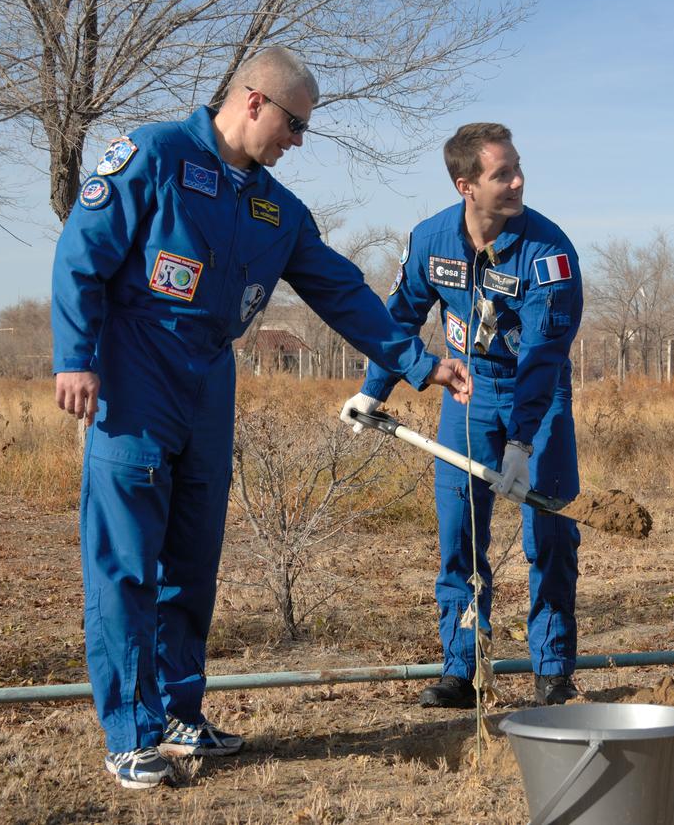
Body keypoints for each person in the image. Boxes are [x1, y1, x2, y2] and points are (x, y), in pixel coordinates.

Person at [51, 47, 471, 790]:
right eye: (294, 124)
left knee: (191, 563)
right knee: (125, 565)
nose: (297, 141)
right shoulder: (154, 153)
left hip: (210, 382)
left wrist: (418, 361)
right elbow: (83, 253)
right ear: (253, 101)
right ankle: (130, 733)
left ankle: (182, 712)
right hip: (134, 374)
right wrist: (76, 357)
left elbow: (340, 290)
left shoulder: (275, 207)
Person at [340, 123, 583, 708]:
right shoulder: (431, 240)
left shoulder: (548, 253)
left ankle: (551, 670)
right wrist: (374, 391)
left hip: (538, 397)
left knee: (547, 531)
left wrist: (523, 444)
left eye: (519, 167)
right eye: (503, 173)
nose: (519, 181)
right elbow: (399, 319)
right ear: (465, 185)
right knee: (459, 532)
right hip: (466, 396)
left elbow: (543, 356)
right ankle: (464, 667)